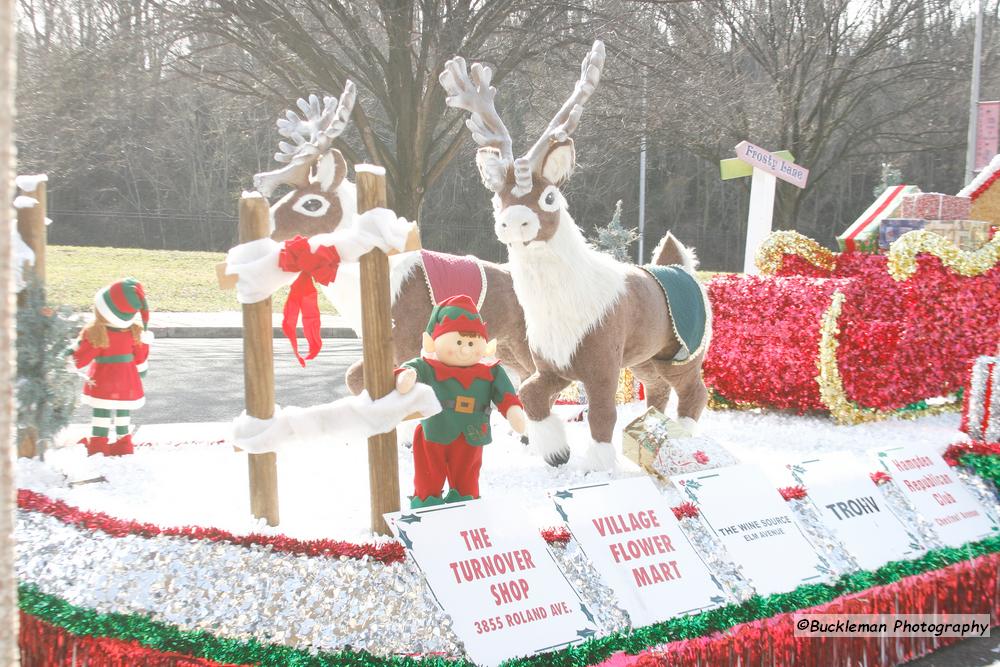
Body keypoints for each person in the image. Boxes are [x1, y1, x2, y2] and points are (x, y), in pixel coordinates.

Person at [396, 294, 526, 507]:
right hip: (435, 431)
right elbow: (410, 369)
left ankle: (465, 509)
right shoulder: (428, 367)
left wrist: (513, 410)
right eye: (458, 342)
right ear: (434, 341)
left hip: (472, 432)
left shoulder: (491, 371)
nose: (465, 349)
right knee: (428, 476)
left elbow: (505, 395)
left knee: (467, 477)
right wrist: (406, 376)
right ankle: (426, 509)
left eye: (470, 342)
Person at [70, 278, 152, 456]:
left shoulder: (96, 332)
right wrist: (142, 370)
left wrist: (68, 354)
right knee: (123, 413)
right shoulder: (134, 332)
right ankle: (123, 444)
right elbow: (140, 359)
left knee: (102, 412)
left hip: (103, 380)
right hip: (127, 381)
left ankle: (98, 445)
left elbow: (80, 357)